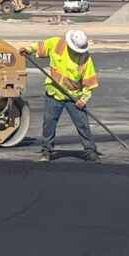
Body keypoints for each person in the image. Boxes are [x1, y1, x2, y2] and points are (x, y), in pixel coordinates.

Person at [21, 29, 101, 162]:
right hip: (54, 92)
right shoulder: (57, 43)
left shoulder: (84, 58)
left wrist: (83, 99)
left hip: (73, 96)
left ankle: (90, 151)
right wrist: (28, 49)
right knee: (49, 122)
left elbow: (90, 82)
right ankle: (47, 150)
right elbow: (40, 46)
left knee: (82, 124)